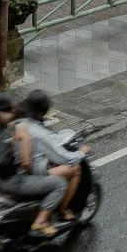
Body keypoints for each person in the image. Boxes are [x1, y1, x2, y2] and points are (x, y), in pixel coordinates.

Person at [0, 90, 66, 237]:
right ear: (12, 107)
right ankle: (41, 221)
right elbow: (27, 162)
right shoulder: (19, 127)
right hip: (15, 183)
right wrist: (34, 175)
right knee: (59, 184)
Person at [20, 88, 84, 219]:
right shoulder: (40, 132)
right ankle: (63, 210)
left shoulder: (19, 123)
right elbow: (62, 157)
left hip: (20, 171)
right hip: (36, 173)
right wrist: (81, 153)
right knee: (76, 168)